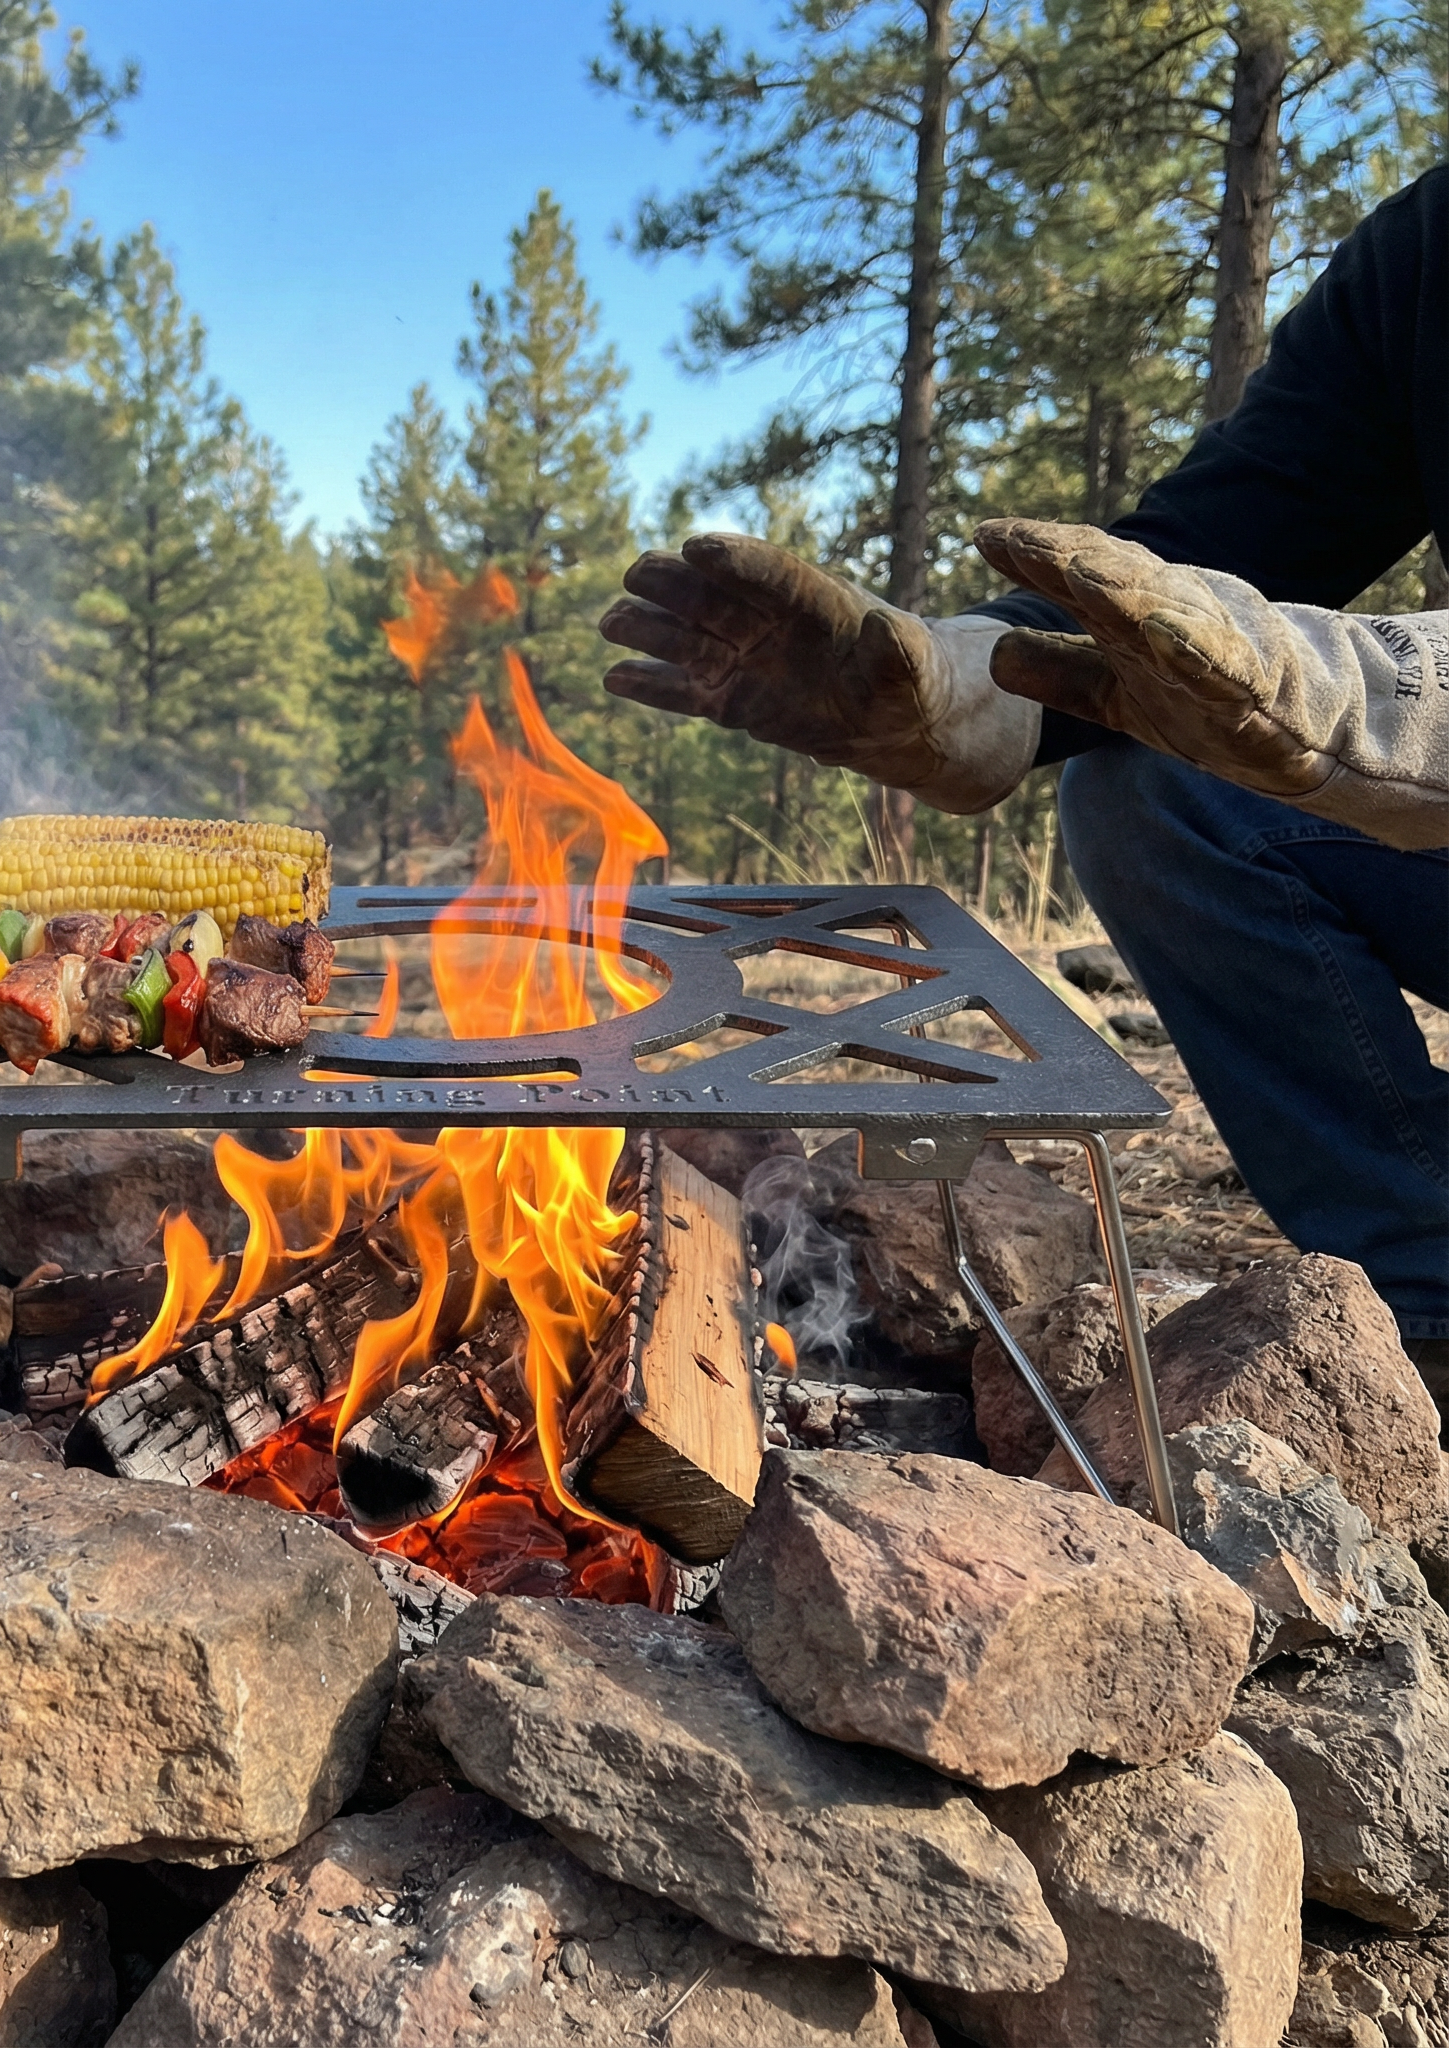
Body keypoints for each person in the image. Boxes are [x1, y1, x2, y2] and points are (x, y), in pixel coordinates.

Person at [599, 165, 1449, 1402]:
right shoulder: (1423, 260)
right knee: (1152, 787)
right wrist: (953, 688)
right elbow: (1209, 549)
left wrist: (1361, 697)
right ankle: (1428, 1290)